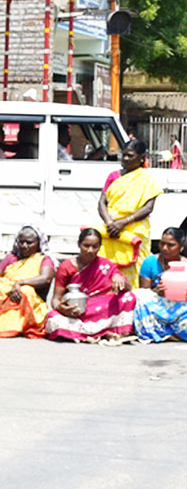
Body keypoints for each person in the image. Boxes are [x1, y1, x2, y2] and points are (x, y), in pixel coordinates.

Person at [46, 228, 136, 342]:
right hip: (77, 311)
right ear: (79, 244)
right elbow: (55, 299)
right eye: (86, 246)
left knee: (129, 297)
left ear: (100, 247)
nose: (90, 250)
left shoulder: (105, 265)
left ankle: (95, 332)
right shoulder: (66, 267)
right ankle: (106, 331)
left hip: (100, 308)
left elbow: (127, 287)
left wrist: (120, 278)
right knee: (53, 319)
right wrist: (61, 308)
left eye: (95, 247)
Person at [0, 225, 56, 338]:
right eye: (21, 242)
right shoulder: (11, 257)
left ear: (38, 243)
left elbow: (46, 279)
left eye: (29, 243)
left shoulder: (44, 259)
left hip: (29, 302)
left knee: (26, 290)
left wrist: (20, 283)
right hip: (8, 296)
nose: (24, 246)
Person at [97, 139, 162, 288]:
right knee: (110, 264)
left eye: (130, 156)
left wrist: (124, 222)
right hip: (111, 230)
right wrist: (110, 223)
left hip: (135, 230)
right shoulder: (114, 176)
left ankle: (135, 298)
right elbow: (102, 202)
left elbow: (148, 207)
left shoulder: (147, 179)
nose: (125, 159)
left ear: (141, 158)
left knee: (137, 264)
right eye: (124, 155)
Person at [133, 228, 187, 342]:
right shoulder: (150, 262)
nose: (164, 248)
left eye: (170, 245)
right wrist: (155, 291)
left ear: (181, 246)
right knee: (137, 296)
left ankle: (166, 333)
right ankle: (170, 333)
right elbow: (144, 292)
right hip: (157, 308)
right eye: (162, 243)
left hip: (181, 309)